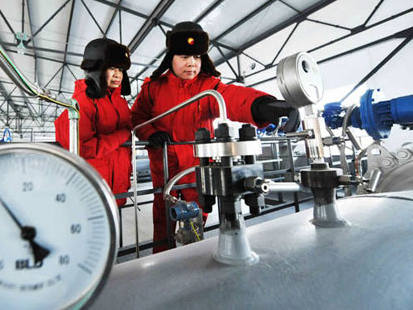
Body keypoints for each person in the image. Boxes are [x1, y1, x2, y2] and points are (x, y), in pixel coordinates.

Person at [131, 21, 300, 253]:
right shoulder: (153, 88)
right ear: (171, 57)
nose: (192, 63)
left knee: (197, 215)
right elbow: (137, 118)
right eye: (183, 56)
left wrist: (264, 106)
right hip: (164, 164)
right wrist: (151, 133)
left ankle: (193, 253)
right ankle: (162, 258)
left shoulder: (209, 87)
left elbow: (234, 98)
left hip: (197, 166)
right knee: (163, 215)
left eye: (197, 57)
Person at [55, 38, 132, 207]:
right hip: (94, 189)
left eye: (120, 69)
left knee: (116, 231)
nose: (118, 74)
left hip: (117, 187)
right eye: (111, 68)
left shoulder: (120, 102)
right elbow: (82, 147)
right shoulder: (82, 102)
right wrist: (121, 136)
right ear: (95, 68)